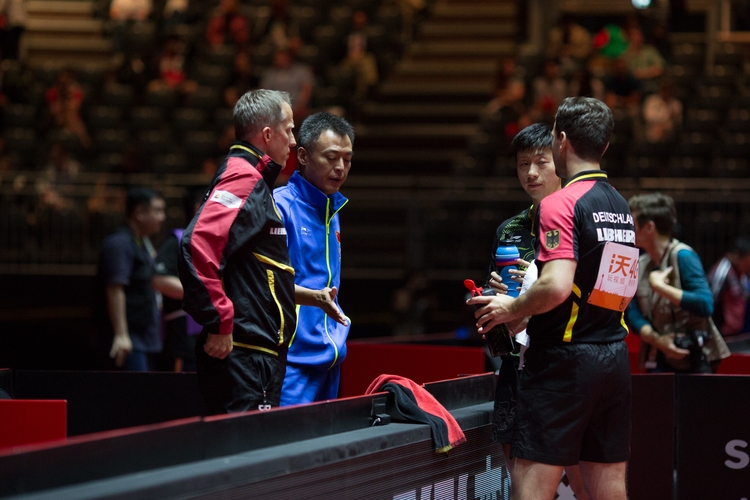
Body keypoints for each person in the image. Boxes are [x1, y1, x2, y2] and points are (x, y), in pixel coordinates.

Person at [468, 97, 636, 499]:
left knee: (531, 485)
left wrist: (513, 306)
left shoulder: (560, 203)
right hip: (613, 356)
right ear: (605, 146)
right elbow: (620, 291)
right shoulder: (619, 205)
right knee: (609, 482)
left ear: (561, 141)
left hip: (563, 362)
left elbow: (557, 286)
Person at [178, 89, 343, 415]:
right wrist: (220, 321)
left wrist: (313, 297)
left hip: (254, 353)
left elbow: (254, 273)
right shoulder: (243, 178)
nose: (294, 141)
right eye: (288, 130)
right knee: (244, 457)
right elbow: (196, 244)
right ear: (267, 135)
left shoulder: (250, 178)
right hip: (244, 353)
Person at [483, 122, 589, 499]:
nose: (530, 173)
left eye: (540, 162)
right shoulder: (509, 230)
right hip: (517, 371)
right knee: (521, 484)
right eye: (522, 164)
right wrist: (490, 300)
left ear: (559, 161)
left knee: (584, 481)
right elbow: (497, 306)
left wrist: (528, 308)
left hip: (568, 368)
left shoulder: (581, 218)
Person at [273, 112, 354, 406]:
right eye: (331, 158)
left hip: (329, 359)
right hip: (292, 361)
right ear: (303, 156)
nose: (340, 167)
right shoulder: (280, 208)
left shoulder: (332, 210)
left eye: (347, 159)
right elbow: (265, 283)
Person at [625, 192, 730, 373]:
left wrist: (661, 288)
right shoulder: (639, 263)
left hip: (692, 360)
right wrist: (658, 340)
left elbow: (705, 304)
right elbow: (631, 311)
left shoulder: (683, 256)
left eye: (631, 223)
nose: (627, 228)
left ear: (649, 227)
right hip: (658, 354)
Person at [96, 186, 166, 371]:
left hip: (145, 339)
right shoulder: (119, 244)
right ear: (140, 212)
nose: (162, 217)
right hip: (129, 341)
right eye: (157, 210)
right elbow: (115, 288)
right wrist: (121, 335)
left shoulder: (142, 243)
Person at [152, 186, 206, 372]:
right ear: (199, 205)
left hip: (210, 340)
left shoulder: (215, 243)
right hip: (183, 341)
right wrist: (204, 293)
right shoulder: (177, 239)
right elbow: (159, 280)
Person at [708, 234, 750, 337]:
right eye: (747, 261)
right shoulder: (723, 270)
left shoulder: (741, 273)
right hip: (720, 332)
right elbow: (710, 299)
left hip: (736, 332)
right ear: (737, 256)